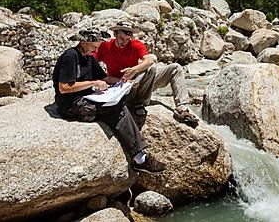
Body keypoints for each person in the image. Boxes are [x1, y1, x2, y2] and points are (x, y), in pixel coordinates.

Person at [52, 27, 165, 174]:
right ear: (83, 42)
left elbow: (105, 77)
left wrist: (123, 82)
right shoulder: (70, 56)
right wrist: (93, 83)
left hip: (87, 97)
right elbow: (64, 87)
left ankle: (140, 156)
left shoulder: (89, 57)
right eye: (94, 45)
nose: (96, 49)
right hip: (71, 104)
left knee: (117, 104)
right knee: (116, 109)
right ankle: (140, 159)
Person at [95, 21, 198, 127]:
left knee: (174, 68)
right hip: (121, 87)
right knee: (149, 69)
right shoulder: (105, 47)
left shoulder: (135, 45)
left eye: (127, 39)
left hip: (139, 81)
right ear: (115, 34)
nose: (124, 42)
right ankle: (138, 103)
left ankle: (182, 108)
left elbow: (149, 60)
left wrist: (134, 70)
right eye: (121, 38)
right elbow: (91, 62)